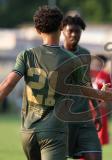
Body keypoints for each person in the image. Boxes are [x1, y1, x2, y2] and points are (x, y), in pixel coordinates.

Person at [0, 5, 80, 160]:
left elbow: (7, 85)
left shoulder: (26, 55)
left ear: (37, 30)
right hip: (54, 132)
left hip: (28, 132)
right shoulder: (72, 60)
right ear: (61, 27)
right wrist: (103, 94)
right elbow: (85, 90)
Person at [62, 15, 102, 160]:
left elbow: (86, 84)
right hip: (62, 119)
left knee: (96, 156)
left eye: (77, 31)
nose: (74, 34)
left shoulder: (85, 54)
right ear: (62, 31)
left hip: (84, 118)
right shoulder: (55, 54)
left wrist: (96, 111)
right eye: (70, 31)